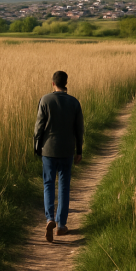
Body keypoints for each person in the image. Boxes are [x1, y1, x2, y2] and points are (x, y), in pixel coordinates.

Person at [34, 70, 84, 243]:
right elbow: (79, 129)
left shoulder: (45, 100)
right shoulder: (74, 102)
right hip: (67, 150)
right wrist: (79, 150)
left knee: (48, 184)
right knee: (64, 185)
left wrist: (37, 146)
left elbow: (39, 126)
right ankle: (61, 225)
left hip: (48, 150)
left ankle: (50, 219)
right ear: (66, 83)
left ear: (53, 83)